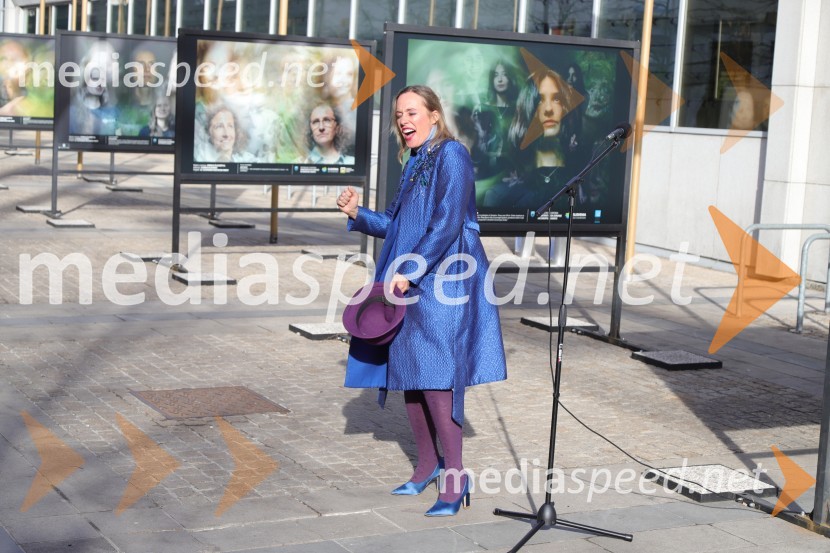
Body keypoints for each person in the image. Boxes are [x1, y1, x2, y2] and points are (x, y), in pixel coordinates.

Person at [336, 85, 507, 516]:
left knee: (436, 378)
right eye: (398, 115)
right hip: (408, 282)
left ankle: (455, 477)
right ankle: (427, 466)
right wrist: (359, 215)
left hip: (444, 278)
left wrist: (408, 270)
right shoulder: (415, 162)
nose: (404, 121)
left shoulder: (452, 154)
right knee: (409, 376)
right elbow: (395, 223)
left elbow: (449, 220)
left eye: (411, 112)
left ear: (433, 115)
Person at [482, 68, 580, 211]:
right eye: (540, 100)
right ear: (528, 108)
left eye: (556, 99)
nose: (548, 109)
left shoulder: (580, 184)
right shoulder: (499, 194)